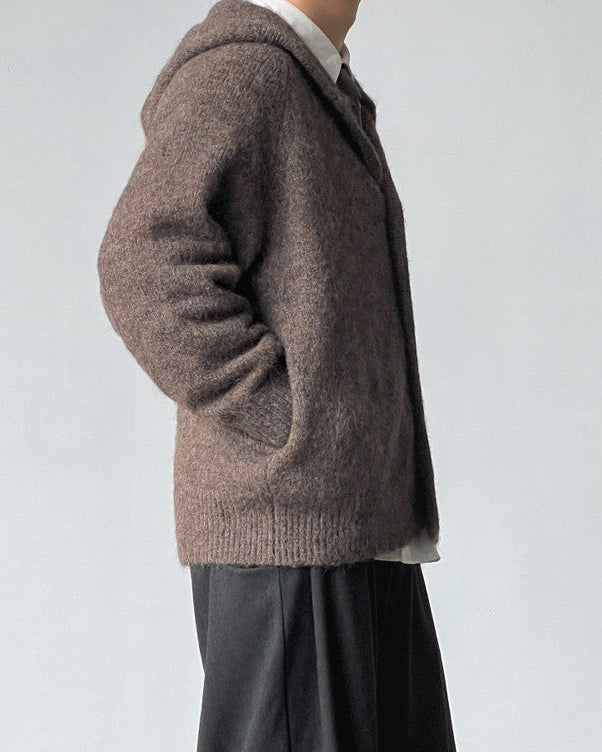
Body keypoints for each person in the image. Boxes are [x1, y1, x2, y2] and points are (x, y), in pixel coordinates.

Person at [96, 0, 456, 749]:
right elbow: (143, 263)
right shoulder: (244, 71)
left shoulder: (319, 85)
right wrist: (288, 421)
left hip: (360, 528)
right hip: (288, 537)